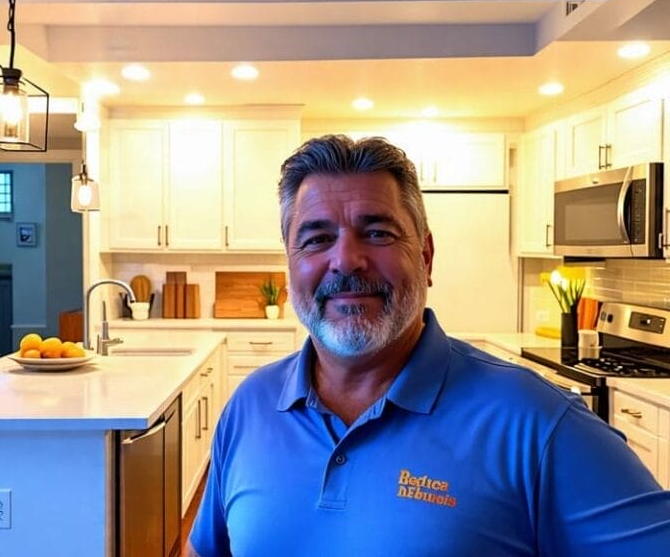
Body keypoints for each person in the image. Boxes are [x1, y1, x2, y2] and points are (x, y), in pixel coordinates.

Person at [186, 134, 670, 556]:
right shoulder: (249, 407)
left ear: (426, 256)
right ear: (291, 265)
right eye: (316, 239)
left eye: (377, 232)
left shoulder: (538, 425)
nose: (346, 260)